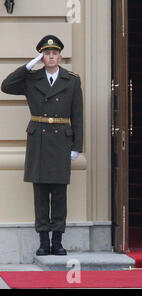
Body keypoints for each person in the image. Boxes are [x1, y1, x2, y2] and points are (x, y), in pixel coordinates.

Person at [1, 35, 83, 256]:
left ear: (60, 56)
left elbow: (77, 114)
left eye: (54, 53)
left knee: (59, 195)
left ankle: (57, 241)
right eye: (46, 54)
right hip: (38, 140)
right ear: (41, 56)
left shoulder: (72, 80)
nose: (51, 57)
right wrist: (29, 65)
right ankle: (43, 241)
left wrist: (77, 145)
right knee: (40, 195)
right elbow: (6, 86)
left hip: (60, 141)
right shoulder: (31, 78)